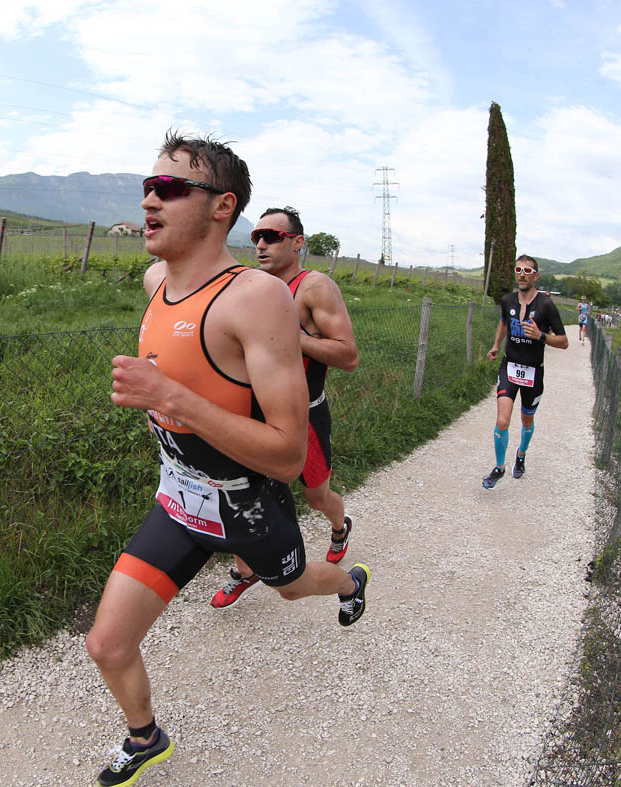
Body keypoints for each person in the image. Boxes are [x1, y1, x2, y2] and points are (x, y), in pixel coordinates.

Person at [85, 132, 371, 787]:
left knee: (295, 585)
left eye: (171, 188)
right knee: (107, 642)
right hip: (179, 502)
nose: (150, 198)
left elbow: (286, 451)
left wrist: (171, 397)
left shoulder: (255, 299)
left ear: (222, 207)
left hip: (248, 502)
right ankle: (145, 735)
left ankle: (350, 581)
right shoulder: (155, 279)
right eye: (148, 186)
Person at [210, 205, 361, 609]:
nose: (261, 243)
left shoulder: (314, 287)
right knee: (243, 496)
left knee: (316, 497)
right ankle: (246, 570)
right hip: (254, 416)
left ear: (297, 243)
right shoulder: (251, 285)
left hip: (304, 415)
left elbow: (348, 356)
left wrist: (292, 336)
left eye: (273, 236)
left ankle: (339, 525)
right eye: (257, 236)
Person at [482, 255, 568, 489]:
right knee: (502, 420)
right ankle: (499, 467)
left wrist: (540, 336)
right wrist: (495, 345)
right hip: (509, 366)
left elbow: (564, 342)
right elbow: (503, 322)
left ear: (535, 276)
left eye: (527, 270)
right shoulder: (508, 300)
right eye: (518, 269)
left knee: (526, 418)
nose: (522, 274)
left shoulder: (546, 305)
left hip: (533, 373)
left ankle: (521, 454)